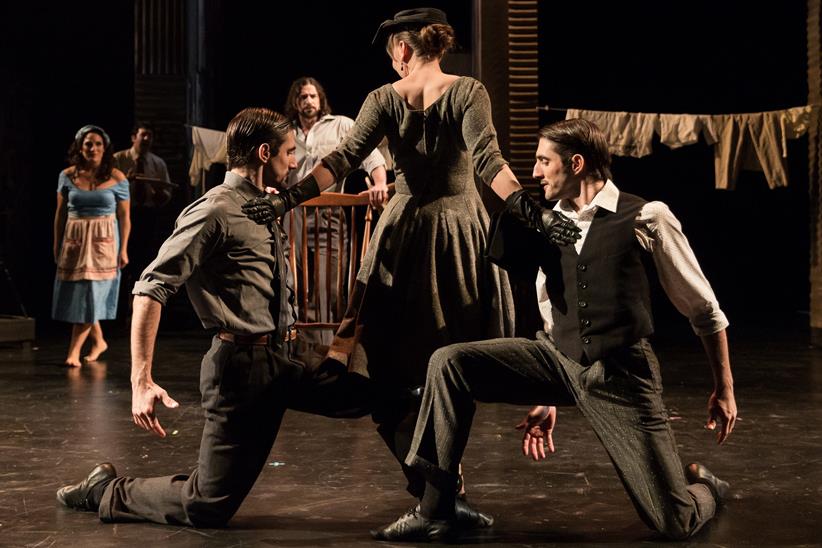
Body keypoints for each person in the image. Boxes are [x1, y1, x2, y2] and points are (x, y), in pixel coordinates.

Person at [243, 7, 580, 524]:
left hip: (400, 240)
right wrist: (532, 212)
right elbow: (489, 161)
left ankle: (437, 493)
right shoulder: (469, 91)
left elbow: (341, 162)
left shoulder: (383, 97)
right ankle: (439, 491)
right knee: (450, 362)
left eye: (391, 53)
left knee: (394, 369)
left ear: (403, 48)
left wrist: (287, 200)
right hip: (457, 237)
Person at [372, 118, 738, 542]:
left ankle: (706, 486)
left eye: (545, 161)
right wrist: (547, 397)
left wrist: (724, 388)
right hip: (559, 359)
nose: (536, 173)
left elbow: (704, 309)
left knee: (675, 521)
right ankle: (437, 506)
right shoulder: (549, 223)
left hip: (619, 373)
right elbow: (551, 311)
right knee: (449, 362)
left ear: (577, 163)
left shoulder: (646, 216)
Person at [55, 107, 371, 526]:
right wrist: (140, 380)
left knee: (387, 393)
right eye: (289, 153)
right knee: (206, 505)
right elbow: (151, 288)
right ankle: (105, 490)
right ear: (264, 153)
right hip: (242, 371)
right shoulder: (214, 211)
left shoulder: (265, 204)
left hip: (288, 358)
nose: (295, 162)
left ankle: (435, 499)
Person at [282, 76, 389, 364]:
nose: (308, 101)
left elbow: (372, 156)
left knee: (329, 285)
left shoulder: (340, 124)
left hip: (330, 215)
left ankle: (327, 353)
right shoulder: (286, 131)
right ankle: (299, 352)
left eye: (313, 96)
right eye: (303, 97)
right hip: (294, 216)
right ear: (296, 101)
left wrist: (379, 184)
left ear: (321, 100)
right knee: (294, 284)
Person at [52, 125, 130, 367]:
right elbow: (60, 214)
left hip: (104, 241)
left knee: (91, 294)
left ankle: (74, 351)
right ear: (80, 147)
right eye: (88, 143)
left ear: (104, 147)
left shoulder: (117, 177)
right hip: (75, 241)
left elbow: (125, 217)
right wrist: (57, 244)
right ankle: (99, 341)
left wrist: (124, 248)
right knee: (84, 293)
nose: (93, 148)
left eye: (97, 143)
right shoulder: (67, 175)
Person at [113, 121, 172, 209]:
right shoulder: (117, 159)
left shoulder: (159, 164)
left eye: (150, 136)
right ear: (133, 138)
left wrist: (158, 190)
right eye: (143, 135)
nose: (146, 138)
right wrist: (125, 182)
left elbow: (166, 198)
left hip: (149, 213)